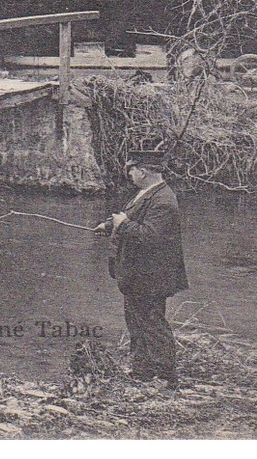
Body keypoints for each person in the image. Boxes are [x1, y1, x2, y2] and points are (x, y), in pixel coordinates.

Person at [94, 148, 188, 387]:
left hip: (151, 277)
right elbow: (131, 217)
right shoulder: (147, 193)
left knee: (152, 324)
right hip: (138, 275)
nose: (129, 174)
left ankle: (166, 376)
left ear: (143, 172)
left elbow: (150, 236)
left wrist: (122, 224)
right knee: (137, 321)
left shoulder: (164, 200)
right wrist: (110, 225)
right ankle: (143, 371)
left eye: (131, 170)